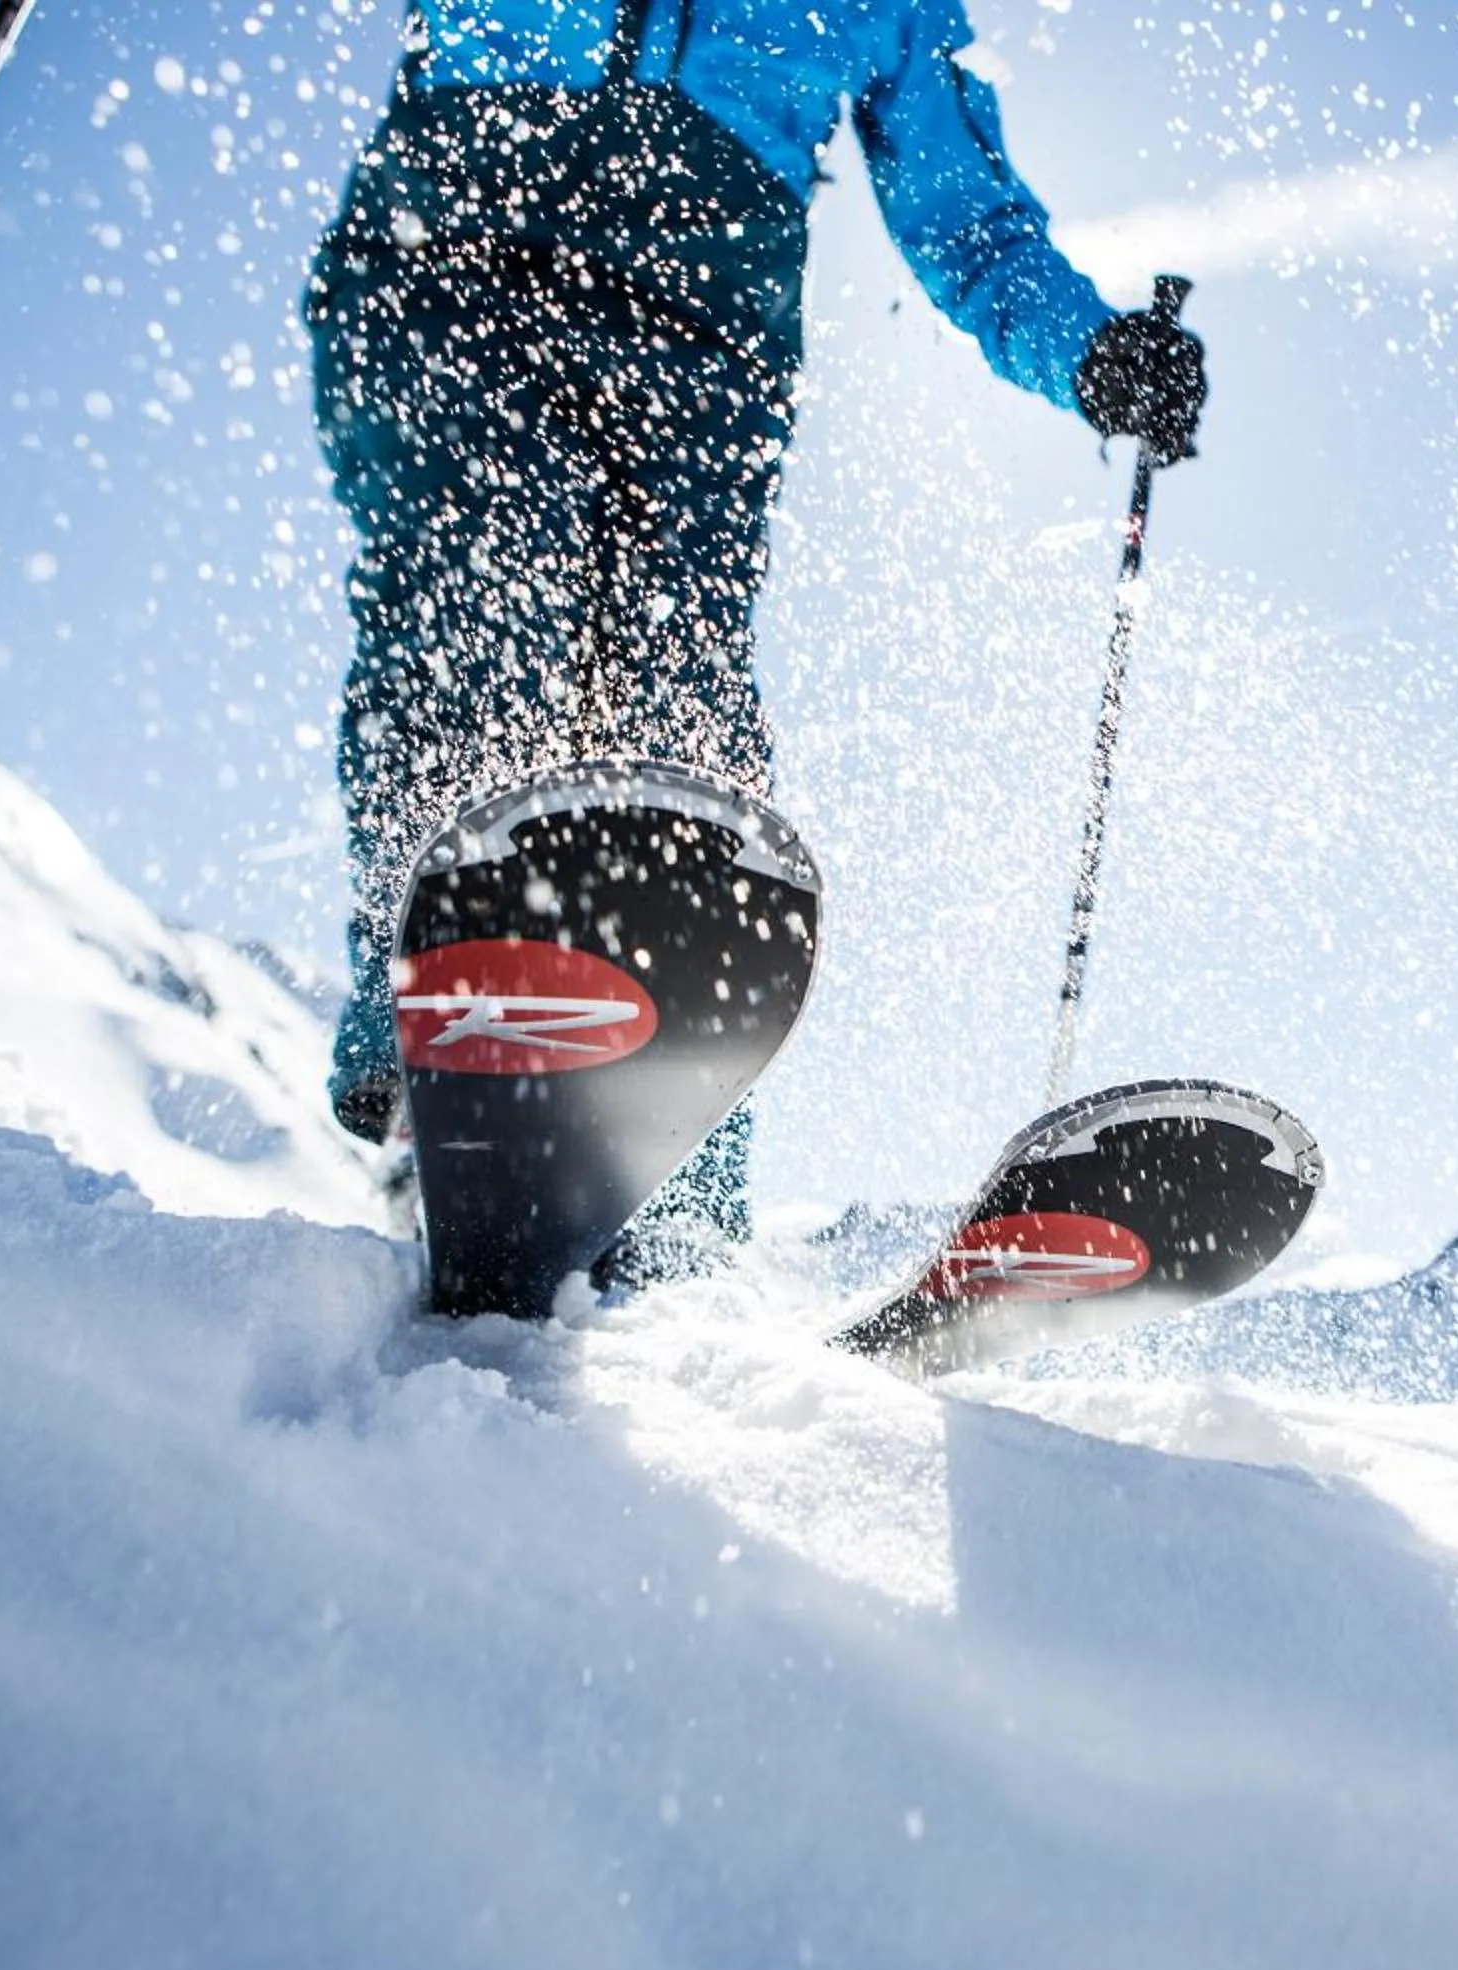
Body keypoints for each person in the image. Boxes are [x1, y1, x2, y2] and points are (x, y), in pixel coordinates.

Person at [306, 0, 1208, 1258]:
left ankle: (675, 1212)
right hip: (454, 232)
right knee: (482, 594)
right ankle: (433, 1023)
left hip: (705, 320)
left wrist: (1094, 355)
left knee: (683, 728)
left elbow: (968, 218)